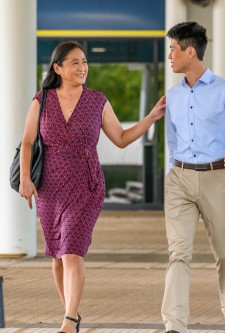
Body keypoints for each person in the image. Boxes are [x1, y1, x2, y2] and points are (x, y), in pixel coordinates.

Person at [18, 41, 166, 333]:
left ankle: (69, 320)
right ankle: (70, 313)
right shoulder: (42, 100)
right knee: (57, 257)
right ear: (58, 68)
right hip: (49, 188)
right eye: (75, 62)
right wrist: (25, 177)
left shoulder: (97, 100)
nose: (82, 67)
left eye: (84, 62)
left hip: (86, 186)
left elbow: (121, 138)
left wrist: (150, 118)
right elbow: (27, 141)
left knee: (72, 251)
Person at [162, 22, 225, 333]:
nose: (170, 56)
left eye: (173, 49)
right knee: (178, 253)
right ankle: (174, 325)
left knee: (224, 252)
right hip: (180, 179)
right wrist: (172, 173)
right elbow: (171, 142)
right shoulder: (172, 96)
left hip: (216, 177)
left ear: (191, 51)